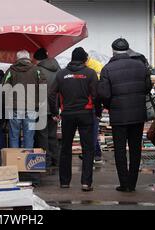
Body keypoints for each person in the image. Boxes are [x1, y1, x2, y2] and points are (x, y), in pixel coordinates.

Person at [97, 38, 152, 192]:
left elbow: (104, 94)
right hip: (138, 114)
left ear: (113, 51)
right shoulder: (141, 66)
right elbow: (148, 87)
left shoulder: (107, 69)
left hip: (118, 115)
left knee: (120, 150)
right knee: (136, 149)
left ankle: (124, 183)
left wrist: (111, 105)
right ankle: (132, 183)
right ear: (128, 50)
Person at [49, 47, 100, 191]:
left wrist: (55, 111)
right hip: (86, 114)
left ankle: (64, 182)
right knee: (88, 149)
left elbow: (51, 94)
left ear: (72, 59)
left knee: (65, 148)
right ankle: (86, 183)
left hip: (67, 115)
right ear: (84, 59)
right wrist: (99, 111)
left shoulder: (61, 74)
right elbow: (96, 95)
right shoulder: (90, 73)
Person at [3, 50, 42, 148]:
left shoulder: (11, 70)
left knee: (14, 136)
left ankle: (15, 160)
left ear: (17, 58)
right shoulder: (36, 70)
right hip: (31, 107)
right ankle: (27, 161)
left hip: (14, 108)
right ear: (28, 58)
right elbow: (43, 87)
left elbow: (4, 88)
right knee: (29, 136)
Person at [33, 48, 61, 167]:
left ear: (37, 59)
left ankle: (46, 161)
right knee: (52, 135)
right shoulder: (58, 69)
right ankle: (56, 159)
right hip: (54, 107)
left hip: (41, 107)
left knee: (42, 135)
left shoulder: (37, 70)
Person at [86, 57, 104, 164]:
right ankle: (97, 154)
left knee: (91, 132)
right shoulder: (97, 65)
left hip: (89, 106)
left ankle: (91, 156)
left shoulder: (89, 71)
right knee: (93, 131)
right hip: (94, 105)